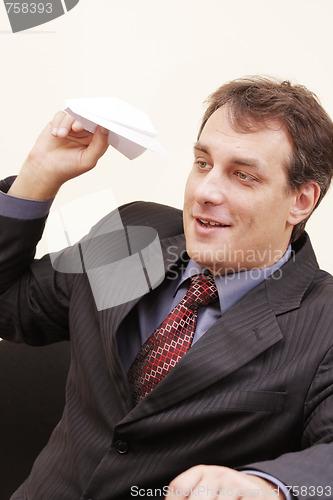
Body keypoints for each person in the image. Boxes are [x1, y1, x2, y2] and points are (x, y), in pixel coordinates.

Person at [1, 76, 333, 500]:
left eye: (243, 175)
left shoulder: (324, 320)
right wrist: (37, 176)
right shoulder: (134, 233)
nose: (206, 191)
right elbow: (8, 305)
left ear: (300, 201)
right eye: (202, 163)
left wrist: (265, 485)